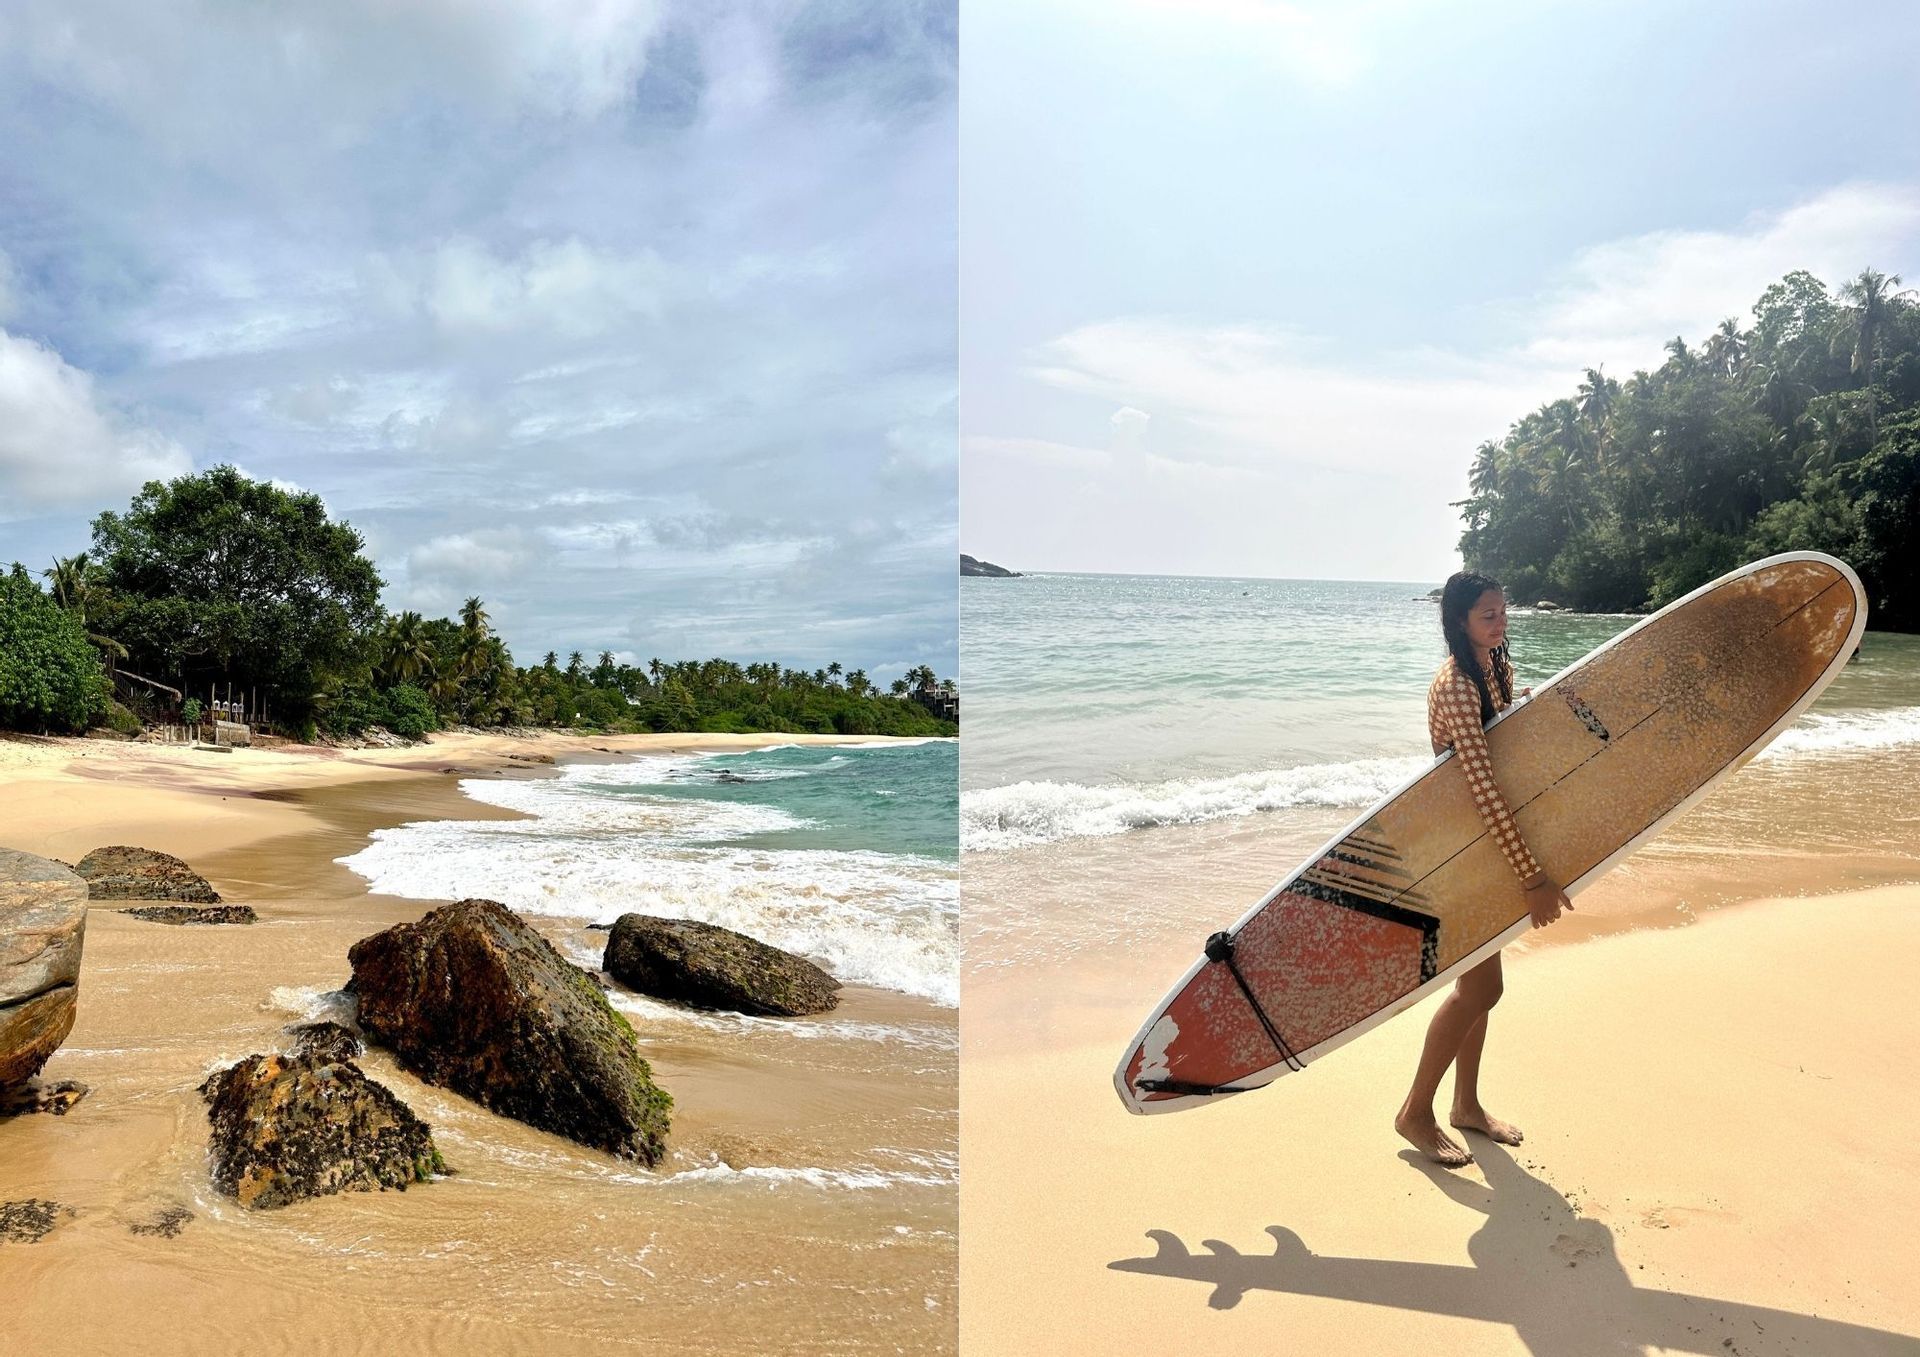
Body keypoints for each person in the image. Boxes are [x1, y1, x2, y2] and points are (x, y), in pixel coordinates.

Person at [1394, 571, 1572, 1167]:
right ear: (1460, 621)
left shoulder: (1493, 667)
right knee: (1481, 987)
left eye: (1502, 611)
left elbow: (1505, 745)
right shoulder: (1456, 686)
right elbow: (1482, 787)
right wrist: (1532, 877)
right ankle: (1416, 1110)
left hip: (1485, 846)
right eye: (1487, 615)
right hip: (1462, 849)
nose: (1500, 623)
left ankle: (1466, 1105)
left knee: (1480, 989)